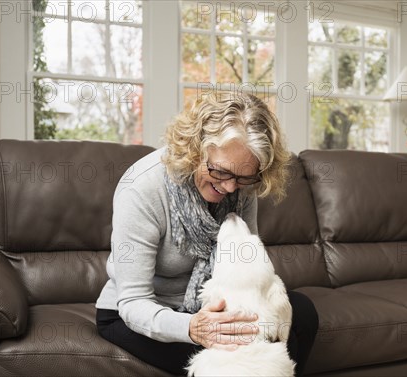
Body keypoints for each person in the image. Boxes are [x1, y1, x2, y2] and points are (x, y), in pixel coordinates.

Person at [95, 93, 319, 376]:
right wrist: (193, 327)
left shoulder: (240, 187)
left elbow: (244, 260)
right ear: (195, 148)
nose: (229, 188)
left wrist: (259, 314)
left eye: (243, 178)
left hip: (209, 305)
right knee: (231, 358)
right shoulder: (141, 189)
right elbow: (133, 303)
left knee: (303, 315)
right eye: (220, 171)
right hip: (138, 314)